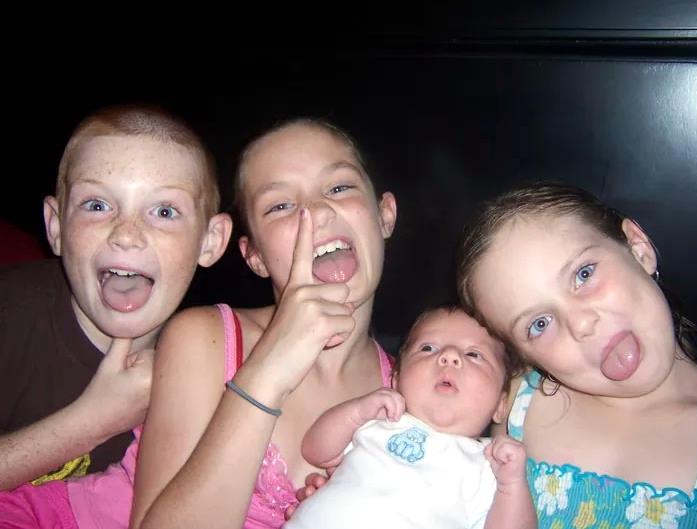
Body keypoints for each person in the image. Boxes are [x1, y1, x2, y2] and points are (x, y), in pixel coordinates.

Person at [130, 117, 398, 529]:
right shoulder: (205, 340)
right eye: (280, 206)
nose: (316, 212)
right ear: (254, 256)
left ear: (385, 215)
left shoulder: (411, 390)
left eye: (339, 187)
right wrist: (268, 373)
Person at [0, 104, 232, 528]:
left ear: (211, 240)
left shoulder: (207, 367)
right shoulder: (10, 310)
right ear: (55, 226)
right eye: (97, 205)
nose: (126, 234)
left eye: (164, 211)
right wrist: (92, 421)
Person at [456, 182, 697, 528]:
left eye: (584, 274)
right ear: (526, 356)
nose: (580, 324)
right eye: (539, 324)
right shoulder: (516, 405)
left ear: (638, 248)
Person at [285, 305, 535, 529]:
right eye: (428, 348)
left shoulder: (488, 467)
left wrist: (512, 484)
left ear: (501, 405)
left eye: (474, 354)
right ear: (396, 380)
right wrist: (357, 412)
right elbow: (315, 451)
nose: (449, 356)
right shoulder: (380, 422)